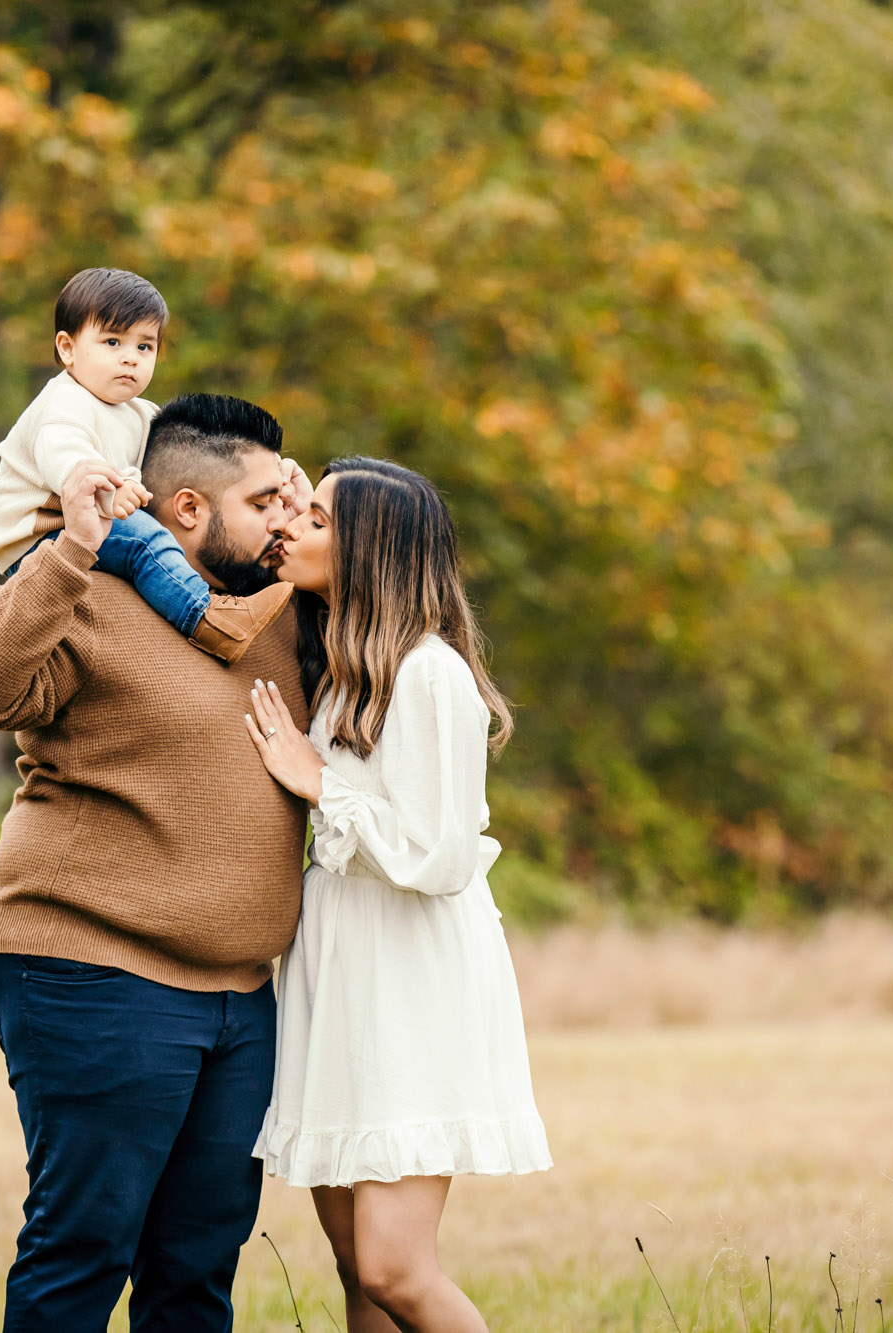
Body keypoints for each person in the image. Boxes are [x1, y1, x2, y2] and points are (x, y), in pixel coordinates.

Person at [0, 393, 314, 1333]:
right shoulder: (91, 590)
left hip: (239, 995)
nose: (285, 518)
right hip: (93, 969)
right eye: (266, 500)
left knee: (197, 1264)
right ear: (187, 508)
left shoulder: (281, 611)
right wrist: (68, 553)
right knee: (85, 1244)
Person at [243, 457, 551, 1333]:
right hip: (342, 970)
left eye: (317, 518)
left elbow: (440, 853)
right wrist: (286, 491)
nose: (294, 526)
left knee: (394, 1265)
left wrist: (315, 784)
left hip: (409, 977)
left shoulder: (428, 674)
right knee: (354, 1265)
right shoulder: (343, 666)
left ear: (371, 549)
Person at [0, 266, 297, 665]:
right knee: (145, 539)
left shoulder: (138, 412)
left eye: (144, 347)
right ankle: (207, 619)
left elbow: (188, 454)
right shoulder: (62, 406)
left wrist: (269, 477)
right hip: (38, 538)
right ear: (68, 348)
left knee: (144, 532)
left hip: (87, 523)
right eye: (112, 342)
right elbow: (71, 464)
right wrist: (113, 491)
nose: (130, 358)